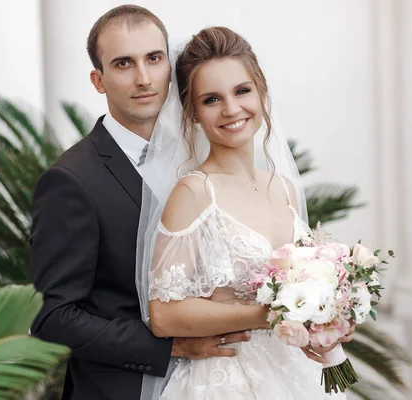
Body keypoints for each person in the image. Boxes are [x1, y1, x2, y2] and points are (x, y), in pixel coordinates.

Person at [29, 6, 249, 400]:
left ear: (171, 65)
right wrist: (171, 348)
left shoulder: (205, 153)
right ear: (99, 79)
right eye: (123, 63)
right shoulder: (71, 180)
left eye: (154, 59)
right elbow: (52, 316)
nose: (144, 78)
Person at [136, 26, 354, 399]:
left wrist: (327, 315)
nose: (232, 109)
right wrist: (274, 314)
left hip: (294, 373)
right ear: (192, 113)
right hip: (226, 378)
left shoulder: (281, 187)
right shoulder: (194, 192)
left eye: (241, 91)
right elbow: (164, 315)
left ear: (261, 91)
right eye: (211, 99)